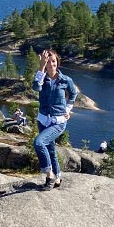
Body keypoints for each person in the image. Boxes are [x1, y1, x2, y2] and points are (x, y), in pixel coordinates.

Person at [32, 48, 79, 190]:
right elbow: (36, 88)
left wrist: (68, 109)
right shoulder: (42, 79)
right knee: (50, 149)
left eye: (53, 61)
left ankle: (49, 175)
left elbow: (73, 94)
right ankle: (57, 178)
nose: (51, 64)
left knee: (39, 143)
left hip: (58, 122)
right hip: (43, 120)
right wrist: (41, 67)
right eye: (48, 62)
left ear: (57, 62)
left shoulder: (65, 80)